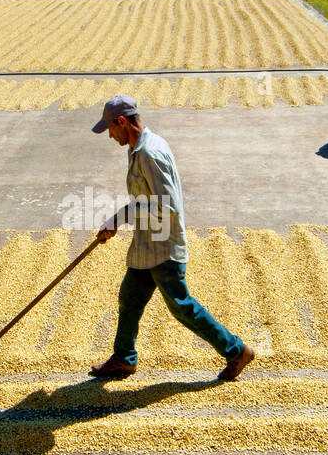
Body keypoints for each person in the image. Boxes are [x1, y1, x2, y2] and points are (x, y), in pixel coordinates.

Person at [88, 95, 255, 381]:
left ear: (122, 121)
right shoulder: (137, 148)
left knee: (181, 306)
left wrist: (122, 216)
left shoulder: (151, 153)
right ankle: (123, 358)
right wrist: (118, 219)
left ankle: (237, 350)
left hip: (163, 247)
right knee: (130, 297)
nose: (110, 135)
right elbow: (147, 199)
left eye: (110, 129)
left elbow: (168, 207)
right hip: (146, 246)